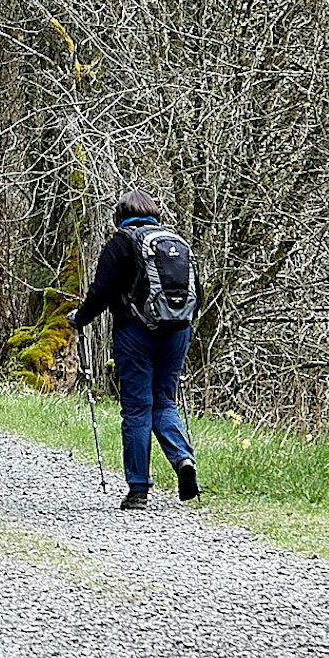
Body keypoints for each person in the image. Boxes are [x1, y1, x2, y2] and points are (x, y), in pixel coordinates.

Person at [68, 190, 202, 510]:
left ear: (120, 217)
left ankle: (138, 490)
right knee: (164, 402)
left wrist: (80, 318)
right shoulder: (175, 243)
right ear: (155, 214)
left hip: (135, 334)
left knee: (138, 408)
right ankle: (183, 459)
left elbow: (100, 292)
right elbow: (198, 291)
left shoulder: (122, 243)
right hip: (177, 331)